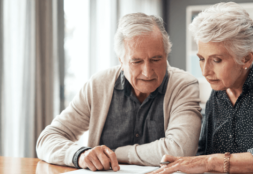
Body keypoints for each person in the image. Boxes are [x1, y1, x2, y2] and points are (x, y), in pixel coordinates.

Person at [151, 2, 253, 174]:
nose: (205, 71)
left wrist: (211, 162)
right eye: (202, 59)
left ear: (246, 59)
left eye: (216, 60)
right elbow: (204, 152)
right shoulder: (217, 94)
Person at [36, 13, 202, 172]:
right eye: (136, 61)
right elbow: (47, 139)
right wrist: (80, 155)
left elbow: (180, 149)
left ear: (166, 55)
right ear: (121, 61)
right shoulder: (98, 85)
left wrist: (116, 153)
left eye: (156, 59)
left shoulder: (184, 85)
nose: (147, 72)